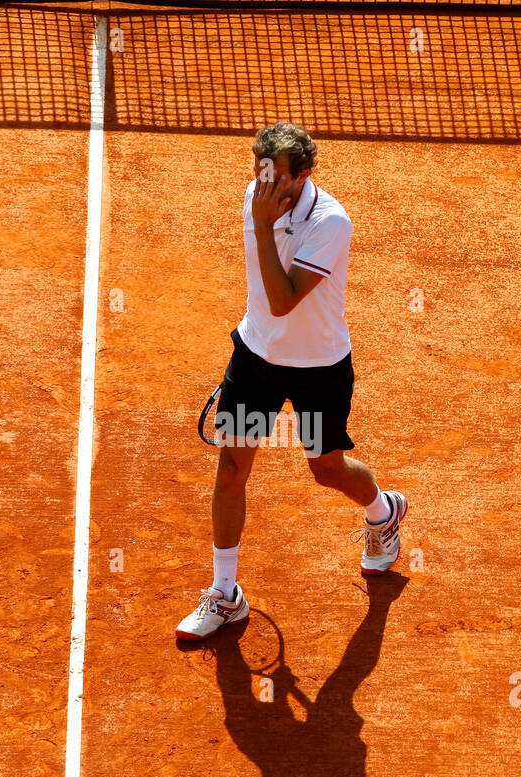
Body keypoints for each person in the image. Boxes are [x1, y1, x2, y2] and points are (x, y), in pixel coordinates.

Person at [176, 123, 407, 641]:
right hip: (257, 356)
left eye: (275, 175)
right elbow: (269, 309)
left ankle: (383, 510)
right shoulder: (258, 196)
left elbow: (283, 301)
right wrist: (262, 213)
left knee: (326, 472)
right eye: (258, 171)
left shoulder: (331, 223)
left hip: (319, 367)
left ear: (303, 176)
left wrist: (261, 225)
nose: (263, 184)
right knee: (233, 469)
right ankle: (225, 594)